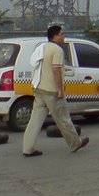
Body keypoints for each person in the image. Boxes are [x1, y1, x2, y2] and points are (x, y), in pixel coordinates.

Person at [22, 25, 90, 157]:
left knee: (35, 120)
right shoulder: (57, 50)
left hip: (39, 88)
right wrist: (60, 90)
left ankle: (28, 148)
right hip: (52, 90)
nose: (63, 37)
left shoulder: (42, 48)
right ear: (55, 36)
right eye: (62, 34)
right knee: (63, 118)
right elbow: (56, 70)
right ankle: (75, 143)